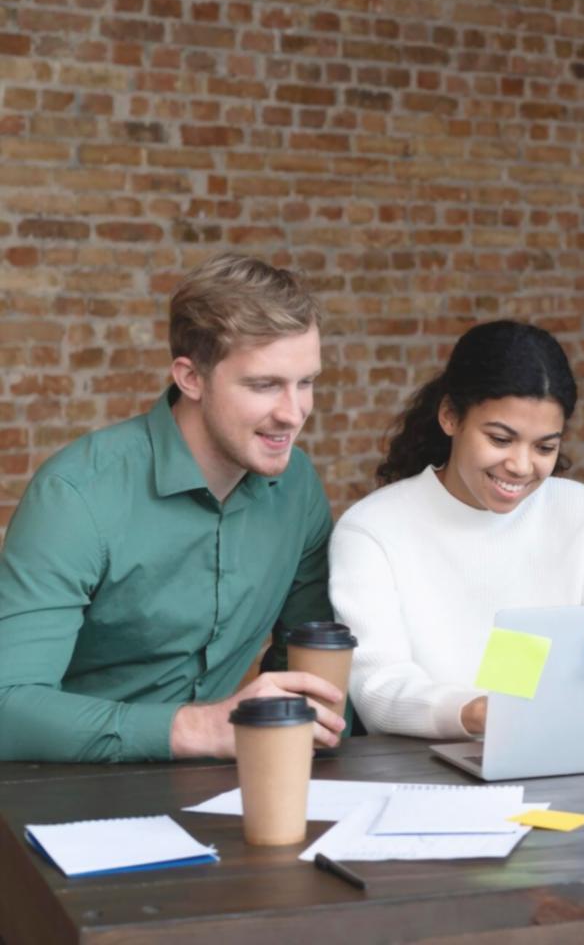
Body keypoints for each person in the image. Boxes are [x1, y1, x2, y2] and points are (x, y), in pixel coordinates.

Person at [0, 253, 345, 762]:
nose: (293, 414)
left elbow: (305, 660)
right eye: (264, 384)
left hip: (224, 789)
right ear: (190, 378)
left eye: (306, 382)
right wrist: (200, 729)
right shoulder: (76, 496)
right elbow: (9, 709)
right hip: (65, 791)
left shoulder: (297, 488)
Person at [330, 320, 584, 740]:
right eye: (500, 439)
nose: (520, 465)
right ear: (450, 417)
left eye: (545, 447)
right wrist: (475, 713)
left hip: (569, 753)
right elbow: (378, 688)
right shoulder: (372, 529)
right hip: (422, 773)